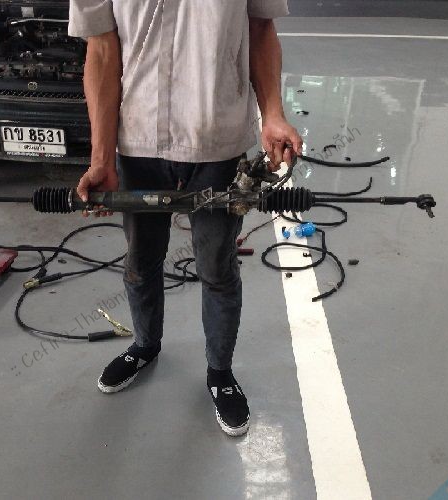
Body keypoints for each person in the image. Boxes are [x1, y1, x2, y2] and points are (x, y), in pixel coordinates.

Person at [69, 0, 303, 436]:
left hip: (217, 140)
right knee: (141, 261)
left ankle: (220, 372)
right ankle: (144, 345)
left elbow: (260, 28)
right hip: (138, 141)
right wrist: (101, 157)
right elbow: (100, 49)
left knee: (216, 267)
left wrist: (272, 113)